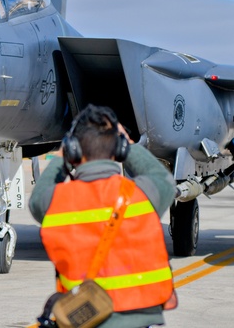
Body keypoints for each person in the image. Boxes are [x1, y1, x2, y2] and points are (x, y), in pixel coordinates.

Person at [28, 105, 178, 328]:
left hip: (87, 317)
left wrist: (62, 157)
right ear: (118, 148)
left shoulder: (55, 201)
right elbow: (164, 180)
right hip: (140, 317)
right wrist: (128, 146)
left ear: (74, 151)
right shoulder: (143, 194)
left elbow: (36, 198)